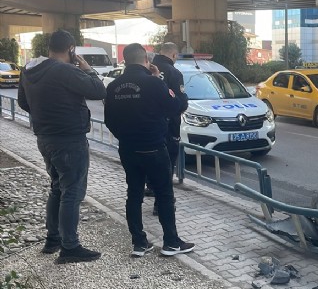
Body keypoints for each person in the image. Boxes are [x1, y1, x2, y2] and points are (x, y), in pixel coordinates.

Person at [17, 30, 106, 264]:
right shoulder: (65, 70)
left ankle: (53, 239)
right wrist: (87, 68)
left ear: (49, 48)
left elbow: (23, 102)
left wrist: (46, 117)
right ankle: (70, 246)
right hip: (69, 139)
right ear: (71, 49)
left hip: (44, 138)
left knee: (57, 188)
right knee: (72, 191)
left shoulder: (29, 70)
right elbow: (99, 91)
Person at [104, 43, 194, 257]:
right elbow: (178, 106)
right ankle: (171, 242)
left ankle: (139, 243)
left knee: (133, 194)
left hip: (128, 148)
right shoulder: (153, 83)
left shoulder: (114, 87)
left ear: (125, 60)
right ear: (146, 59)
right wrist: (158, 80)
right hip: (154, 146)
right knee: (164, 193)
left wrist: (126, 137)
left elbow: (109, 121)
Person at [145, 43, 188, 217]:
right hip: (168, 126)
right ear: (174, 55)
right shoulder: (174, 73)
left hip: (147, 125)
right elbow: (180, 103)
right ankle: (161, 203)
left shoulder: (146, 70)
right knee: (167, 164)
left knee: (149, 158)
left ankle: (150, 187)